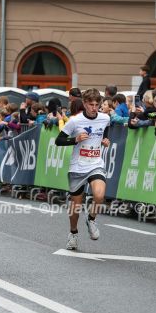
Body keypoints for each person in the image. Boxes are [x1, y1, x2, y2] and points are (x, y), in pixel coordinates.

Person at [54, 88, 110, 250]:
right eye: (91, 104)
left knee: (99, 195)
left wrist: (105, 140)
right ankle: (73, 233)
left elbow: (105, 130)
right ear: (84, 104)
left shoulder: (105, 117)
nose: (94, 107)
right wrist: (75, 139)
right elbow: (59, 140)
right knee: (76, 206)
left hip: (95, 164)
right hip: (78, 166)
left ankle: (91, 219)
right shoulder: (75, 121)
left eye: (96, 104)